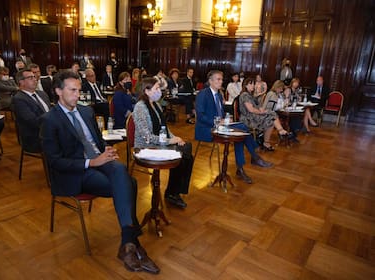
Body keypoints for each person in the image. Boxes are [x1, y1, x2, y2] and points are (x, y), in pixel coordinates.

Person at [40, 70, 159, 274]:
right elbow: (55, 161)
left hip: (99, 160)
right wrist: (91, 162)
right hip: (76, 171)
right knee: (129, 184)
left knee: (121, 170)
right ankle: (132, 243)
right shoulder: (49, 120)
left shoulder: (86, 112)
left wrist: (106, 150)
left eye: (79, 90)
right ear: (58, 91)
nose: (78, 95)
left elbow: (97, 140)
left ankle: (128, 244)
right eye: (72, 90)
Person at [195, 70, 273, 184]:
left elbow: (221, 112)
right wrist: (217, 122)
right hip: (206, 128)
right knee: (242, 131)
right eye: (218, 79)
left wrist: (227, 118)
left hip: (220, 126)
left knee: (242, 130)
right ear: (210, 81)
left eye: (221, 79)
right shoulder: (203, 94)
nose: (221, 81)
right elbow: (200, 116)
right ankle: (253, 158)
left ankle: (243, 166)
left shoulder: (219, 94)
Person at [133, 77, 194, 209]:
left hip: (160, 141)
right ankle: (172, 193)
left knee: (187, 149)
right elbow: (146, 136)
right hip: (146, 146)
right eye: (156, 88)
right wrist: (169, 141)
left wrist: (175, 137)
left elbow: (164, 128)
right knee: (181, 155)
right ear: (147, 91)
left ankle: (175, 191)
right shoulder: (140, 107)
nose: (159, 91)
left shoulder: (156, 104)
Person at [239, 77, 292, 151]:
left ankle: (269, 140)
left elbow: (256, 106)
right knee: (271, 116)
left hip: (253, 116)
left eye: (253, 84)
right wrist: (261, 112)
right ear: (245, 85)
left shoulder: (250, 95)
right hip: (248, 118)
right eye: (250, 84)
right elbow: (250, 109)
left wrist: (261, 109)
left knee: (271, 118)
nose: (253, 86)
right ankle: (279, 132)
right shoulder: (245, 95)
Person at [12, 69, 50, 153]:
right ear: (21, 82)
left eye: (34, 77)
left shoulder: (42, 94)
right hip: (35, 137)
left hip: (50, 130)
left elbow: (51, 112)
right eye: (30, 77)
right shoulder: (19, 99)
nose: (35, 79)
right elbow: (32, 121)